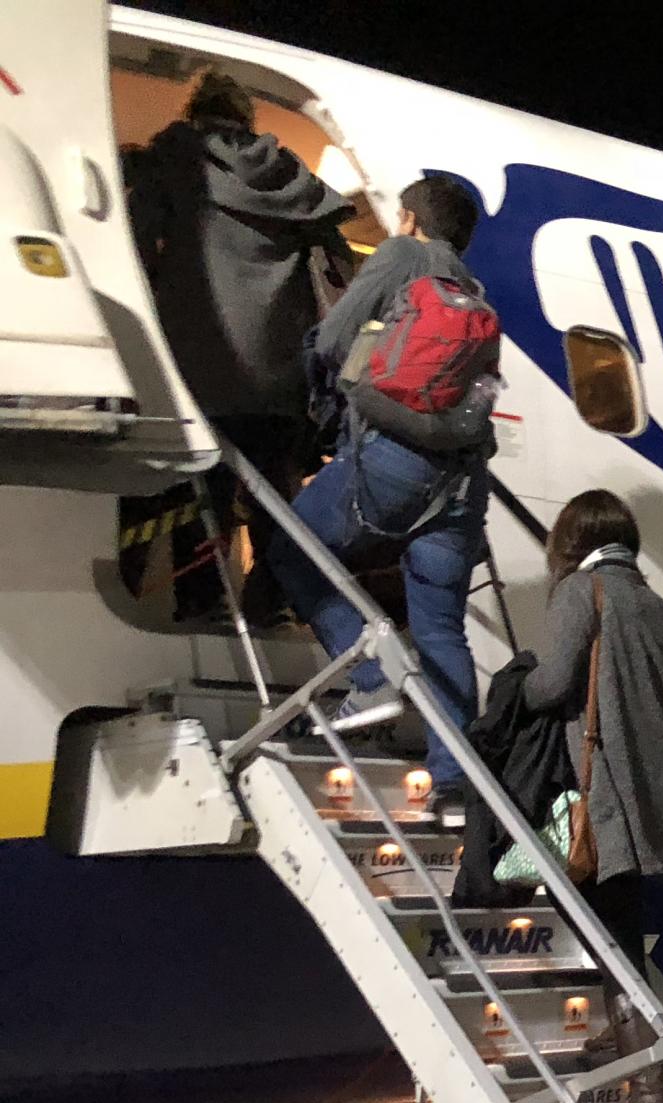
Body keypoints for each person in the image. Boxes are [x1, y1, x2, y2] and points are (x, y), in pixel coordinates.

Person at [261, 174, 495, 816]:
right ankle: (452, 781)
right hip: (461, 481)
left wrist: (348, 392)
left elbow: (335, 339)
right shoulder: (472, 290)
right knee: (442, 629)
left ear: (411, 219)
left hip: (392, 462)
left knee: (292, 548)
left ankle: (368, 680)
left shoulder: (400, 257)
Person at [122, 69, 351, 620]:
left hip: (200, 363)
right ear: (246, 118)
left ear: (195, 109)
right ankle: (268, 601)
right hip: (278, 372)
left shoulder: (173, 162)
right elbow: (340, 265)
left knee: (200, 489)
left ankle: (203, 601)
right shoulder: (288, 175)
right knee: (274, 492)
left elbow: (134, 239)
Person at [520, 491, 663, 1103]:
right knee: (617, 934)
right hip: (655, 801)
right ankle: (622, 1027)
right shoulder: (656, 606)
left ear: (570, 541)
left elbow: (552, 684)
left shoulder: (581, 594)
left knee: (607, 939)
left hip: (601, 804)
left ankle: (645, 1098)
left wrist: (517, 680)